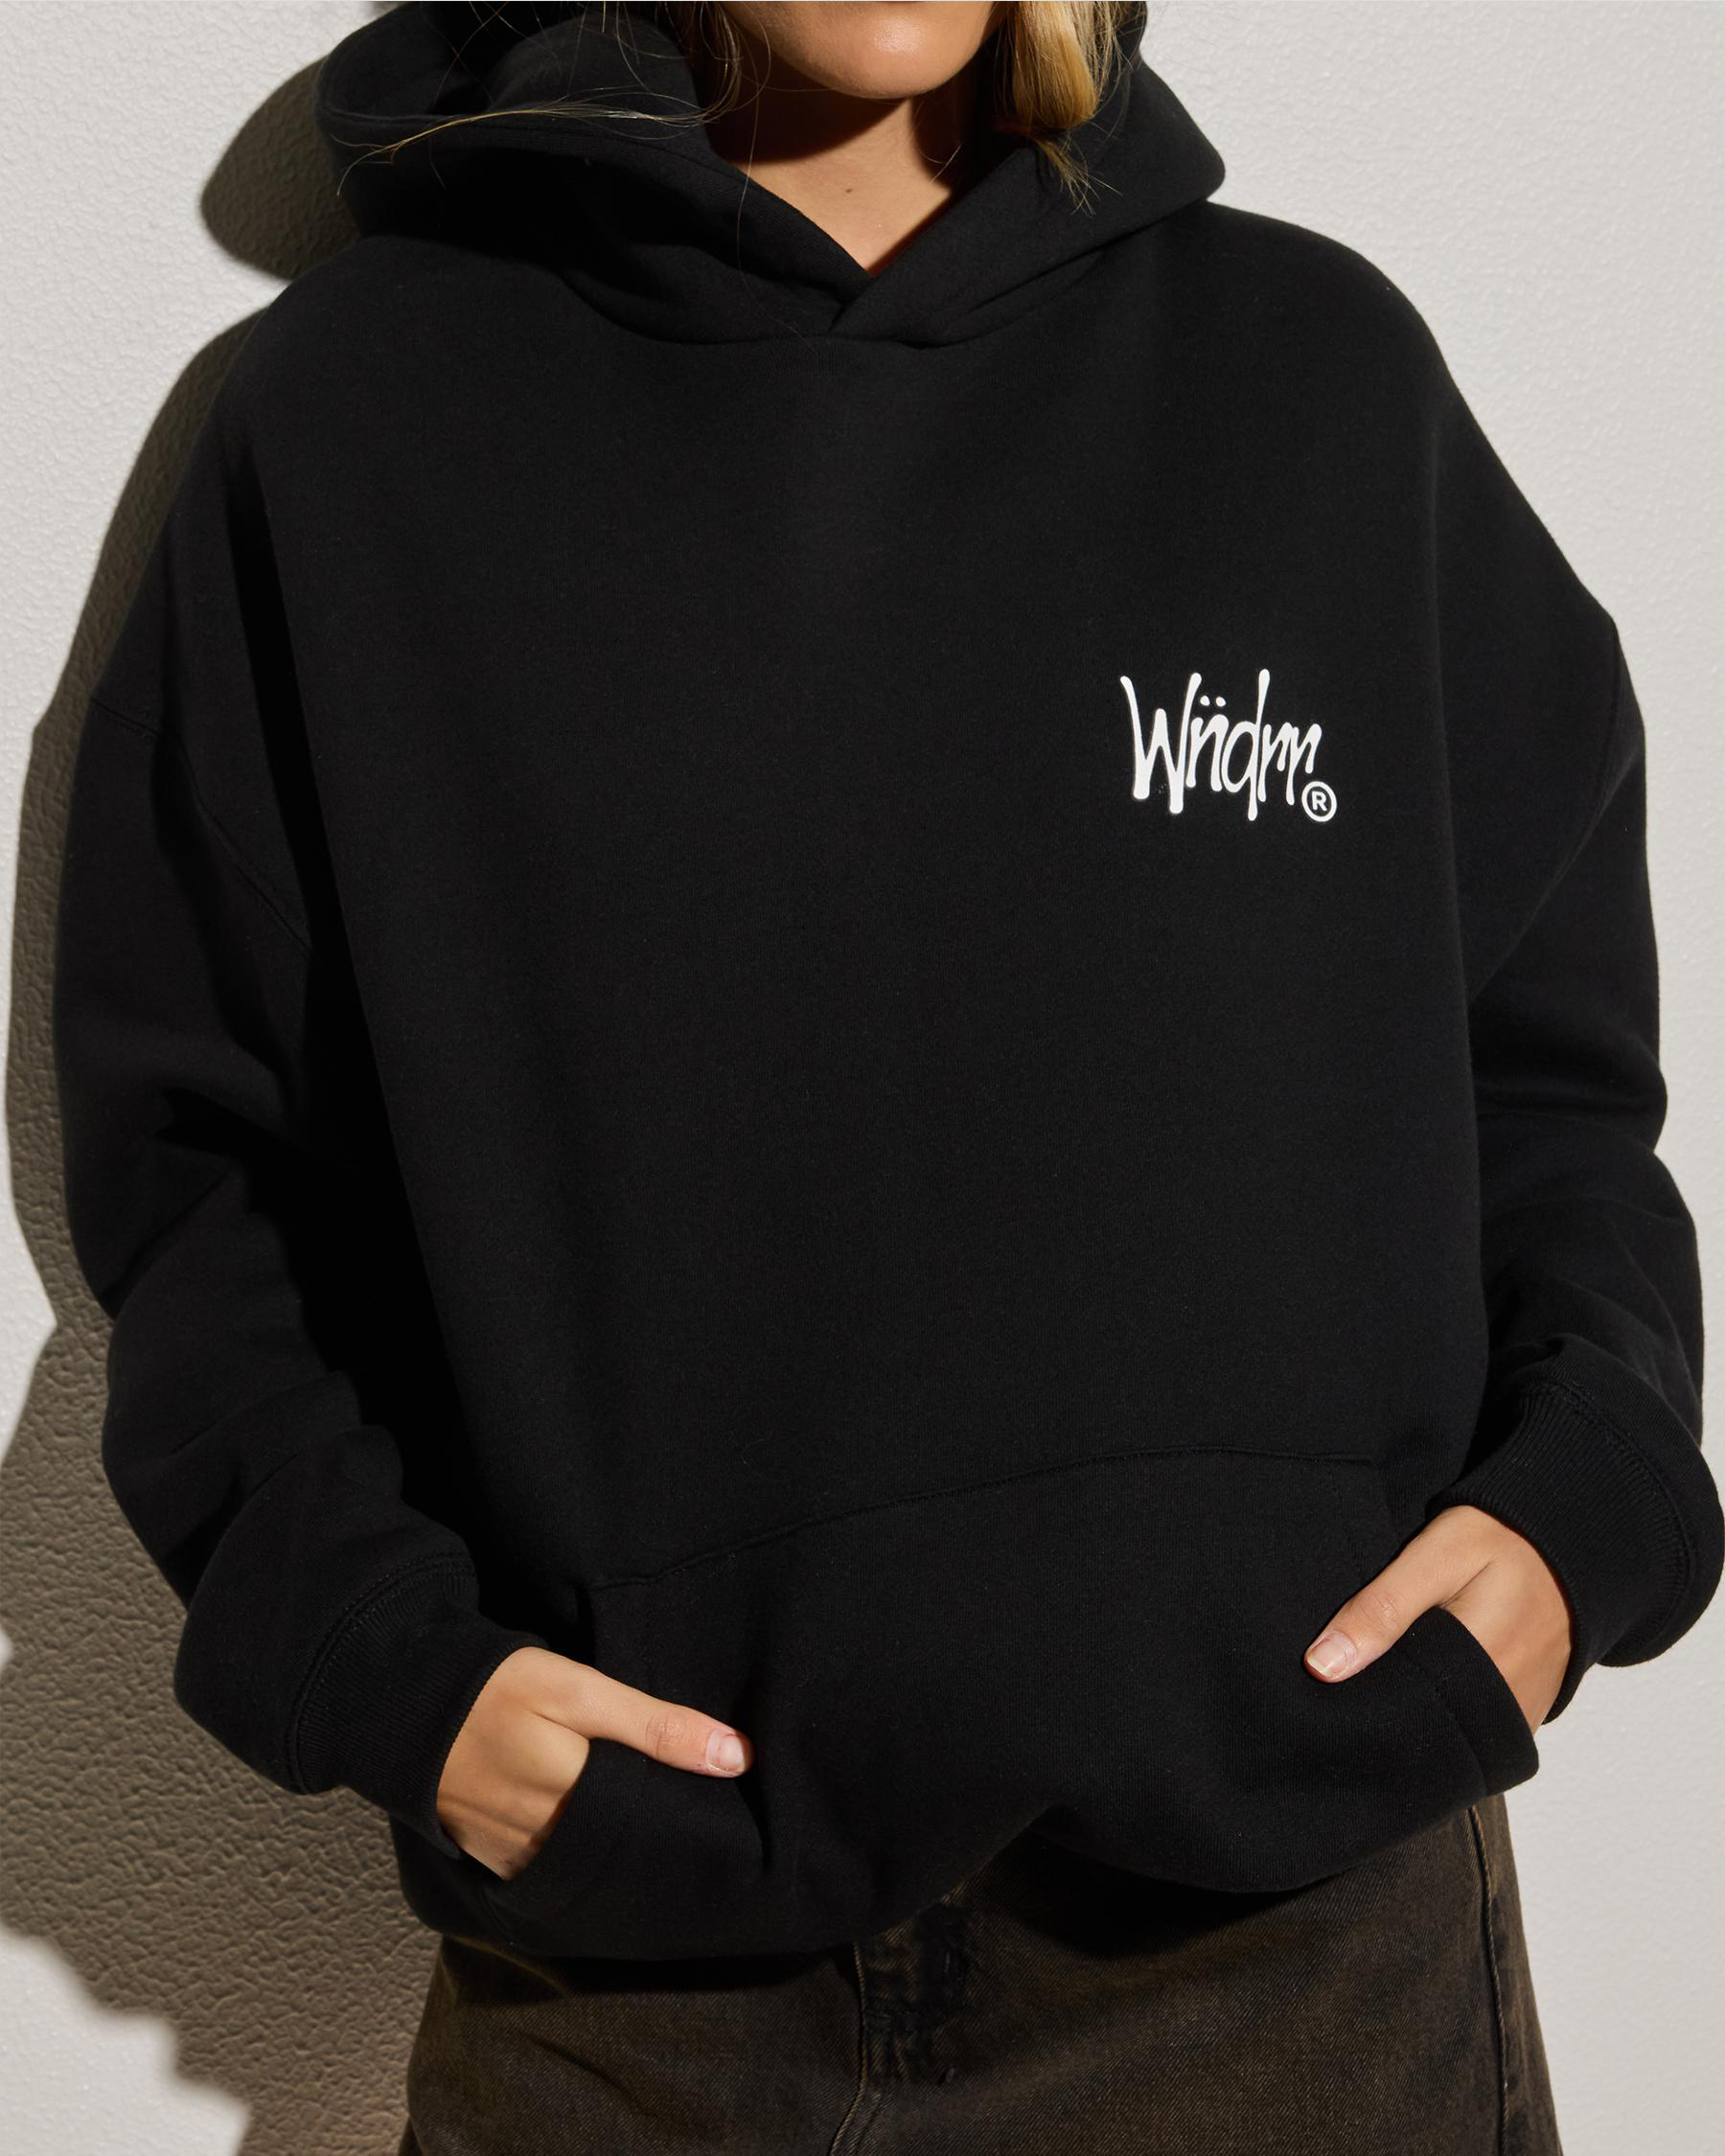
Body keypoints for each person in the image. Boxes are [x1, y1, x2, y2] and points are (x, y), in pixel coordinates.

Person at [51, 4, 1720, 2149]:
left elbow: (1549, 1077)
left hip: (1298, 1976)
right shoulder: (356, 423)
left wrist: (1579, 1501)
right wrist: (385, 1660)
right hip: (643, 2010)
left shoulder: (1313, 380)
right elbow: (205, 1172)